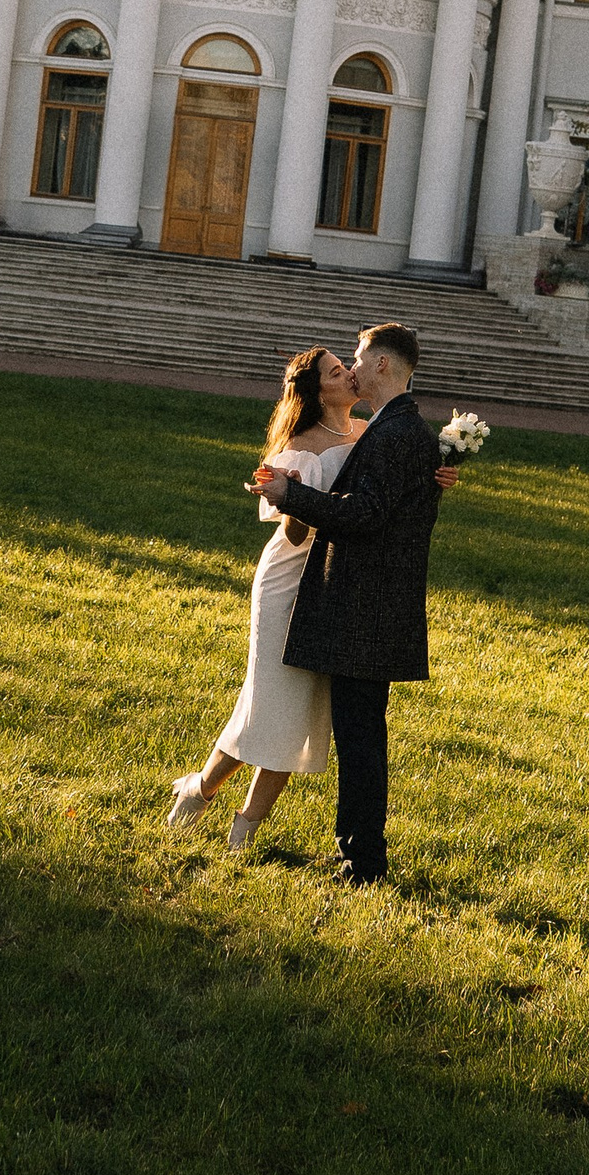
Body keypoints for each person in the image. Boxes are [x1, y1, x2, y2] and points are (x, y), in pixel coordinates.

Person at [255, 322, 441, 888]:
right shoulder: (395, 427)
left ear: (382, 364)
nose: (353, 369)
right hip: (374, 605)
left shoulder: (394, 432)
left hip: (367, 607)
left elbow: (365, 515)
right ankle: (361, 856)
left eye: (358, 359)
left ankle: (362, 864)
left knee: (360, 743)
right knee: (362, 739)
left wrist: (291, 495)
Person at [165, 344, 358, 852]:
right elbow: (294, 535)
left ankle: (242, 827)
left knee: (300, 713)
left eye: (346, 366)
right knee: (270, 704)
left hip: (333, 583)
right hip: (288, 583)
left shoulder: (367, 433)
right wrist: (293, 498)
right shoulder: (296, 449)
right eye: (337, 371)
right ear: (319, 392)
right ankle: (201, 793)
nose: (349, 373)